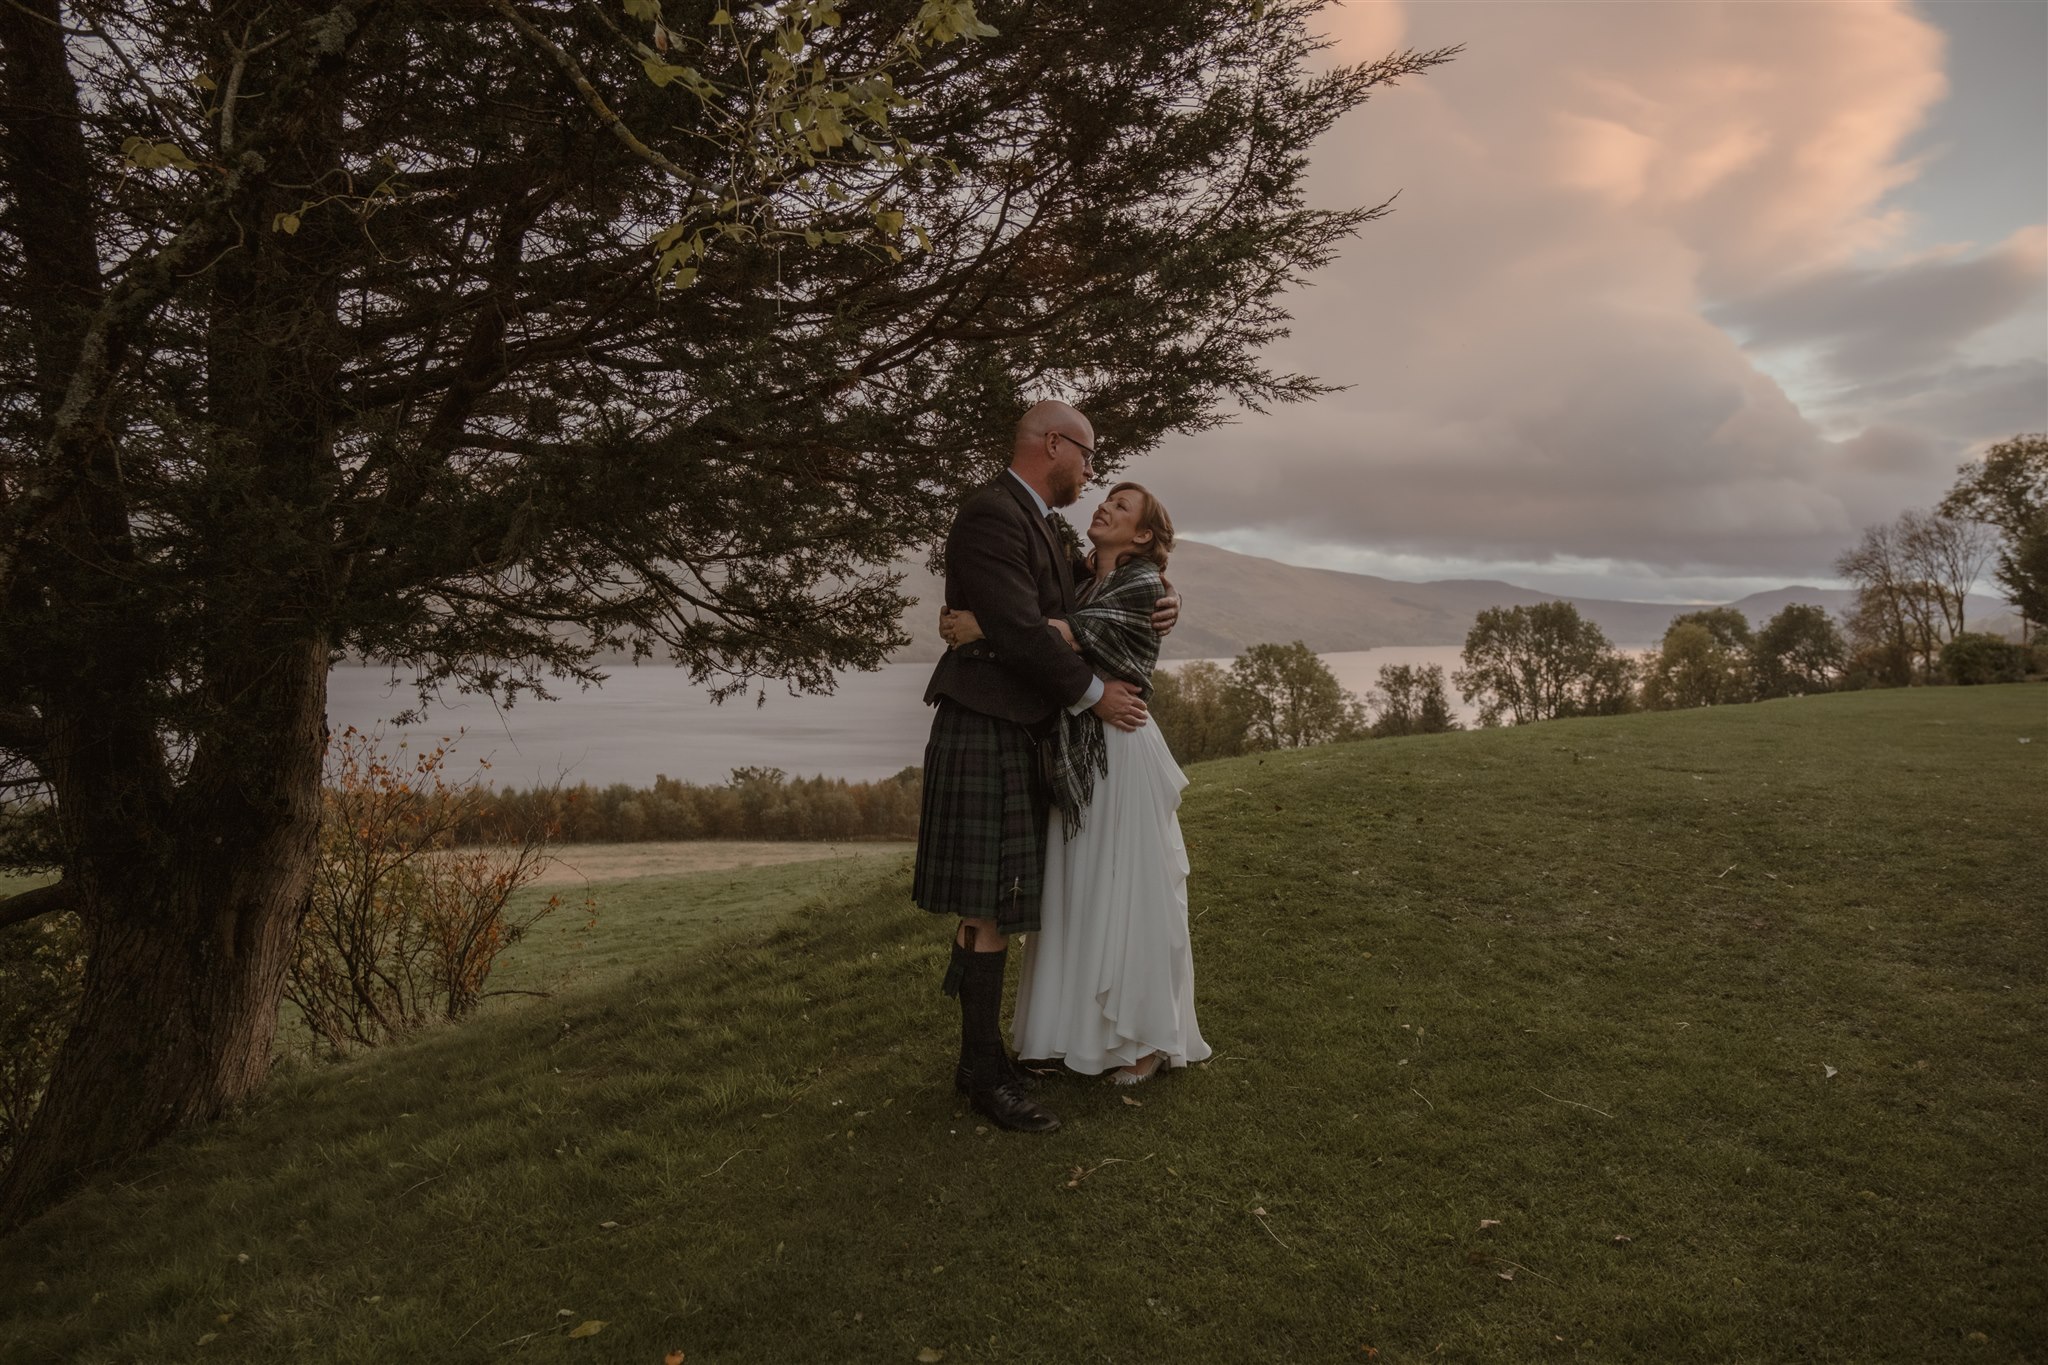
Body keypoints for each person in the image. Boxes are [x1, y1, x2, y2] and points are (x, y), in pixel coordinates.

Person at [914, 401, 1163, 1134]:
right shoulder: (993, 514)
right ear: (1053, 444)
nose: (1090, 472)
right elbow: (1026, 628)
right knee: (987, 906)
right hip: (985, 722)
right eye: (1087, 457)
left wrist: (1156, 590)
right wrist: (1094, 696)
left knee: (999, 900)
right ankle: (981, 1074)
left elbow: (1071, 604)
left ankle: (983, 1058)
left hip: (1016, 727)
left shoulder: (1040, 525)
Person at [942, 482, 1209, 1084]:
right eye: (1106, 498)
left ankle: (1145, 1040)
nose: (1104, 506)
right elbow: (1046, 611)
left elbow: (1060, 632)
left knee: (1134, 890)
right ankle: (1074, 1037)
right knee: (1081, 895)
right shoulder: (1085, 574)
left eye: (1120, 507)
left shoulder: (1138, 584)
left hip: (1122, 742)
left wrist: (982, 626)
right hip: (1081, 745)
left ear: (1142, 535)